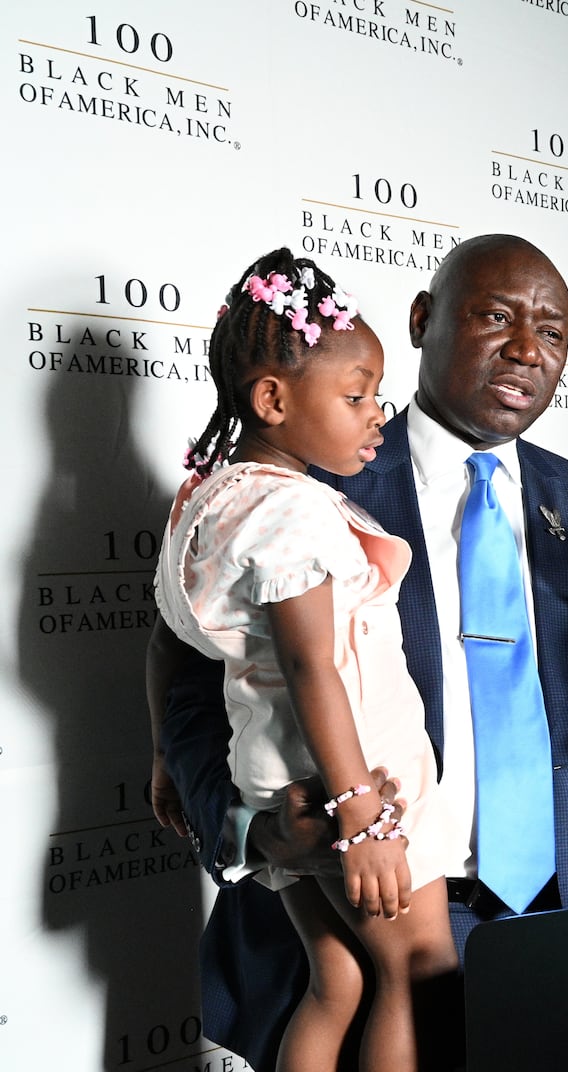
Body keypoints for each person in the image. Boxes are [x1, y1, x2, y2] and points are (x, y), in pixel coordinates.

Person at [157, 234, 568, 1070]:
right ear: (422, 320)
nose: (528, 348)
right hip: (359, 914)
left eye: (553, 332)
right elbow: (183, 674)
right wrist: (255, 834)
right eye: (496, 316)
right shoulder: (304, 479)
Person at [145, 249, 457, 1071]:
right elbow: (315, 667)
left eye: (376, 395)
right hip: (354, 786)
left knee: (339, 981)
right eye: (354, 397)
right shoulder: (291, 515)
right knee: (417, 973)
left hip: (279, 785)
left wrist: (164, 761)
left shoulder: (208, 501)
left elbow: (169, 642)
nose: (375, 416)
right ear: (273, 399)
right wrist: (361, 814)